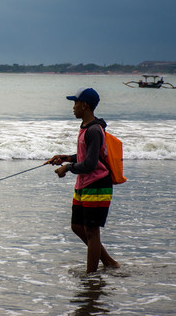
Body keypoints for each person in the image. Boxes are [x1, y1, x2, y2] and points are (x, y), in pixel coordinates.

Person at [45, 87, 120, 273]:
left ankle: (91, 277)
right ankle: (109, 262)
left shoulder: (94, 130)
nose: (73, 107)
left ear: (84, 105)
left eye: (75, 103)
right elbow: (84, 156)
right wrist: (66, 158)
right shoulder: (85, 127)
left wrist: (67, 168)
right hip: (84, 184)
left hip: (97, 185)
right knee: (77, 226)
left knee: (92, 232)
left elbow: (91, 164)